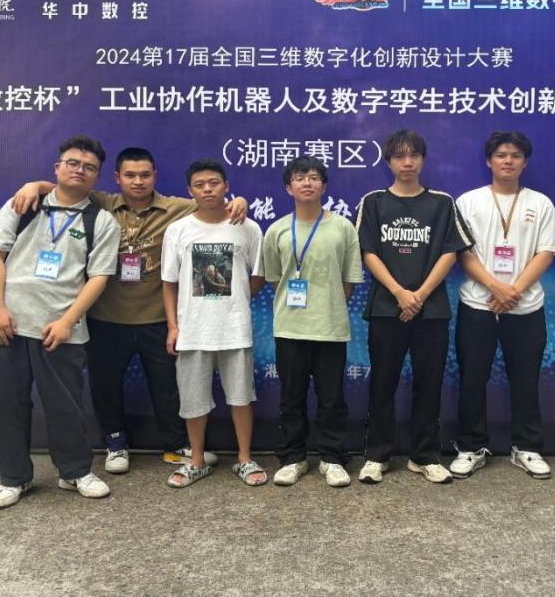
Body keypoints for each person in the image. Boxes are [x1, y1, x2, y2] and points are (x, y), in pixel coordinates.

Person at [11, 148, 247, 477]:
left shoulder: (177, 208)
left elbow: (212, 204)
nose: (138, 181)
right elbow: (66, 189)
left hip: (156, 317)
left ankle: (175, 445)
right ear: (117, 177)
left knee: (167, 386)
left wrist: (239, 201)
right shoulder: (102, 202)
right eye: (130, 175)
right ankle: (115, 444)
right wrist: (34, 185)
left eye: (145, 175)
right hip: (106, 317)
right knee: (106, 386)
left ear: (155, 177)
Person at [0, 135, 120, 509]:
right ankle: (13, 478)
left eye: (89, 167)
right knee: (5, 404)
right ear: (57, 167)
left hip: (59, 329)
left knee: (65, 405)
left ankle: (75, 471)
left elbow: (98, 277)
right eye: (72, 163)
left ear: (98, 175)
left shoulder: (101, 221)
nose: (79, 170)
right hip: (4, 324)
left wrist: (67, 321)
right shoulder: (24, 204)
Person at [354, 129, 473, 484]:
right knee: (382, 383)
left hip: (431, 309)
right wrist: (399, 292)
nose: (407, 162)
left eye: (414, 155)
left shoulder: (442, 203)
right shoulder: (373, 202)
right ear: (388, 161)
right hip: (386, 308)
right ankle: (377, 455)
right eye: (399, 156)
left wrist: (419, 294)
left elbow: (450, 252)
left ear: (423, 159)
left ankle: (424, 456)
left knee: (429, 383)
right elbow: (367, 252)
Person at [450, 131, 555, 480]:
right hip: (477, 303)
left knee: (525, 379)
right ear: (489, 161)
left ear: (524, 162)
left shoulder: (540, 203)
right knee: (472, 378)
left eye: (515, 155)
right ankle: (471, 447)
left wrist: (514, 291)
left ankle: (527, 447)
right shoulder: (468, 201)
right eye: (501, 155)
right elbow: (462, 252)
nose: (508, 161)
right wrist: (496, 287)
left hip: (526, 306)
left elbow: (546, 252)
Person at [161, 158, 267, 488]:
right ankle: (196, 461)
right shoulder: (178, 230)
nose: (207, 189)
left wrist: (236, 299)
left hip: (235, 329)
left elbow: (259, 274)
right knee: (193, 400)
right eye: (199, 185)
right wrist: (173, 326)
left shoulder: (248, 228)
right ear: (189, 190)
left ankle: (245, 459)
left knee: (241, 397)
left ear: (226, 185)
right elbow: (169, 282)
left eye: (214, 183)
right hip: (192, 330)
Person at [262, 156, 364, 488]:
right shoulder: (277, 230)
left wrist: (327, 305)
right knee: (291, 397)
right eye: (300, 177)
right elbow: (274, 278)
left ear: (324, 186)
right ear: (288, 187)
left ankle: (332, 458)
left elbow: (349, 281)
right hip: (289, 328)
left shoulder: (343, 227)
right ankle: (293, 458)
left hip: (330, 328)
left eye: (314, 177)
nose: (307, 182)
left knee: (331, 399)